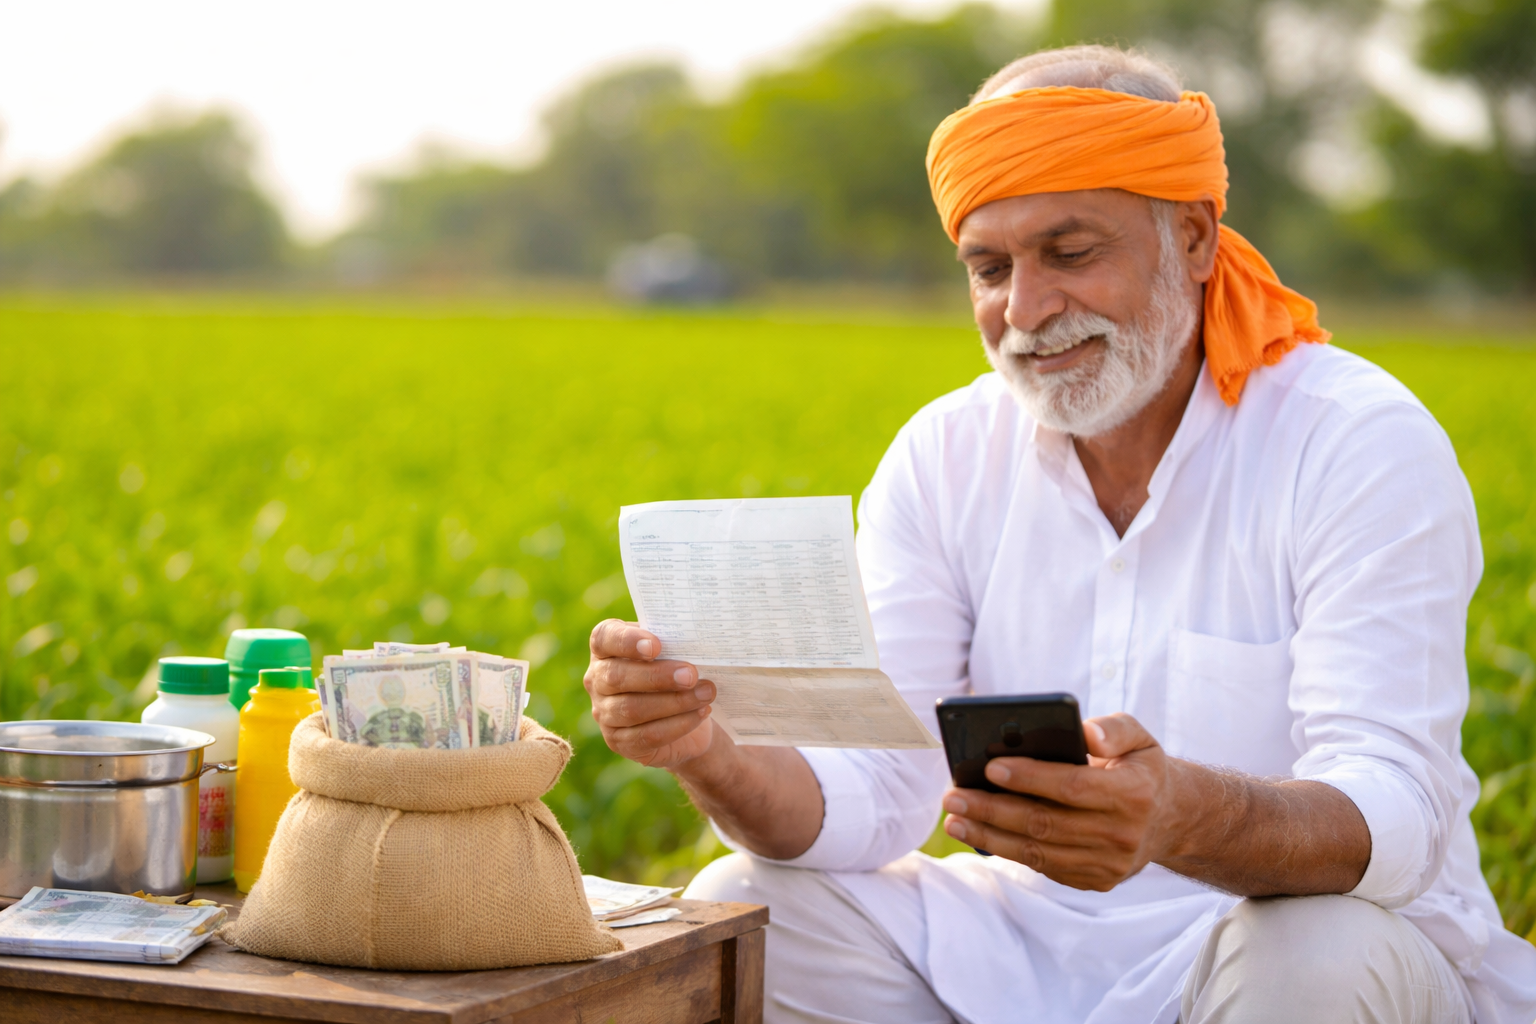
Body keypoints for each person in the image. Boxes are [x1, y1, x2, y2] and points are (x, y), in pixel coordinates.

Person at [584, 45, 1536, 1024]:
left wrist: (1177, 814)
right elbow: (877, 789)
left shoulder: (1353, 440)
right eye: (989, 268)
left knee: (1317, 949)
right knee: (745, 906)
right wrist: (710, 750)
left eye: (1072, 253)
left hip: (1278, 950)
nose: (1025, 312)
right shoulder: (944, 453)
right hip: (1029, 952)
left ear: (1196, 236)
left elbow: (1396, 810)